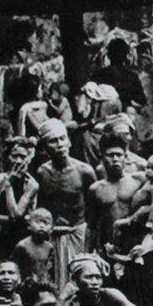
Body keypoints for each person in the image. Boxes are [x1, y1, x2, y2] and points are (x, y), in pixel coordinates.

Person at [35, 119, 97, 291]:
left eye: (62, 139)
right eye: (53, 141)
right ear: (45, 146)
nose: (60, 145)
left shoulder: (84, 171)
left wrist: (91, 238)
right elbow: (42, 207)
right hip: (54, 234)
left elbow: (94, 207)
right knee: (54, 280)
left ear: (69, 141)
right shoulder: (43, 172)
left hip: (79, 232)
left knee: (81, 278)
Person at [61, 254, 150, 306]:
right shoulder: (71, 300)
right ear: (76, 280)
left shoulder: (109, 295)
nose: (95, 282)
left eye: (98, 277)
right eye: (89, 277)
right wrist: (62, 299)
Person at [0, 137, 38, 262]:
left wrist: (8, 186)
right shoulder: (0, 179)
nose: (18, 161)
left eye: (22, 156)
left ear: (28, 158)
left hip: (24, 237)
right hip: (4, 236)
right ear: (8, 157)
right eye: (14, 156)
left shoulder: (31, 184)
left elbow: (16, 214)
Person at [92, 38, 147, 113]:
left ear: (108, 55)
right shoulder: (131, 76)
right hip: (125, 116)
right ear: (125, 55)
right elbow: (142, 100)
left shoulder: (99, 74)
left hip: (103, 115)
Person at [12, 208, 56, 285]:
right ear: (29, 225)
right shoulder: (22, 245)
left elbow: (50, 270)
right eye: (37, 222)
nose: (42, 226)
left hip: (43, 284)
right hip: (25, 284)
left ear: (51, 228)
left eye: (46, 223)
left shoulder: (49, 247)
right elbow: (15, 267)